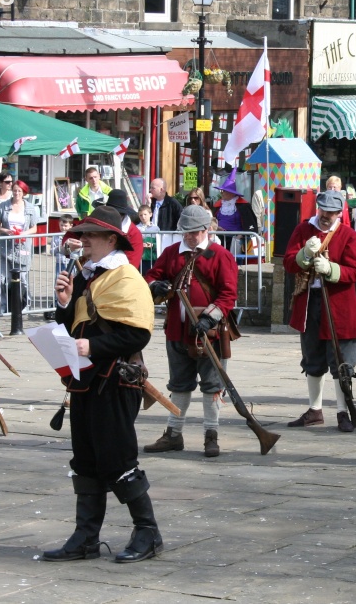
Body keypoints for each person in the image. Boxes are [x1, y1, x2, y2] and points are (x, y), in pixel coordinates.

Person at [45, 205, 162, 564]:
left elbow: (137, 334)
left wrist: (92, 346)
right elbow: (76, 325)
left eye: (90, 236)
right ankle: (86, 537)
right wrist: (65, 305)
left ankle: (148, 532)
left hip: (116, 382)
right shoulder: (87, 275)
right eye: (81, 235)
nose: (82, 241)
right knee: (86, 460)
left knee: (117, 459)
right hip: (85, 381)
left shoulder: (127, 278)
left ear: (111, 239)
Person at [142, 205, 239, 458]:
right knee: (179, 384)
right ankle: (174, 434)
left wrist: (210, 318)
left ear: (206, 229)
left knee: (211, 386)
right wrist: (156, 285)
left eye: (194, 232)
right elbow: (151, 277)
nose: (189, 237)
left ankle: (211, 434)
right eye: (185, 232)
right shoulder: (172, 253)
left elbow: (228, 295)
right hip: (177, 330)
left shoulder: (220, 255)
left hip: (210, 332)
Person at [283, 191, 356, 432]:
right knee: (312, 359)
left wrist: (331, 269)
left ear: (340, 213)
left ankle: (343, 411)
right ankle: (315, 410)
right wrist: (304, 255)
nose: (326, 215)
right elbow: (289, 263)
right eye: (323, 210)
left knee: (341, 361)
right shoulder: (302, 230)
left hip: (340, 304)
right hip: (309, 303)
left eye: (331, 212)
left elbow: (355, 271)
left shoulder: (348, 235)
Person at [0, 180, 39, 309]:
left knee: (23, 278)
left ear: (24, 192)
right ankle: (3, 305)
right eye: (15, 190)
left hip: (23, 247)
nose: (17, 193)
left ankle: (26, 305)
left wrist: (23, 233)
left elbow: (34, 228)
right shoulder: (4, 205)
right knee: (2, 278)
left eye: (20, 191)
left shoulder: (30, 207)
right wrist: (5, 230)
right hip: (5, 246)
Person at [212, 168, 258, 255]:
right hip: (219, 238)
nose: (221, 193)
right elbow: (212, 221)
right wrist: (216, 228)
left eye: (224, 191)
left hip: (235, 240)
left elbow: (251, 225)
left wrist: (241, 236)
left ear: (231, 193)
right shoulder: (218, 205)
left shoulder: (243, 206)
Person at [105, 189, 146, 268]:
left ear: (122, 214)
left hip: (120, 276)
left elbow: (131, 266)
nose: (110, 217)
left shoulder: (134, 234)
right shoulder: (101, 224)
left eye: (114, 214)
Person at [136, 205, 159, 274]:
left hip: (152, 258)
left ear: (150, 214)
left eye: (145, 214)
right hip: (140, 258)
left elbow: (159, 243)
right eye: (141, 215)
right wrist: (140, 244)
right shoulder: (137, 228)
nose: (143, 217)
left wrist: (152, 245)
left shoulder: (156, 228)